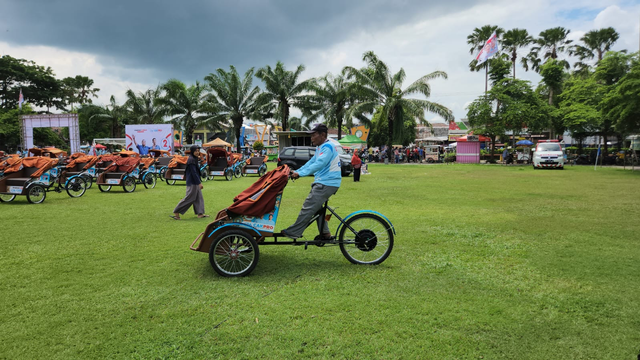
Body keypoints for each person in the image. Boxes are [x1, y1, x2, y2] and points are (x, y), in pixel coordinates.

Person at [280, 124, 341, 240]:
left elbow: (319, 164)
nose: (311, 138)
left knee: (308, 206)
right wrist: (297, 171)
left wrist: (300, 174)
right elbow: (311, 162)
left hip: (326, 183)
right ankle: (325, 233)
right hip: (325, 182)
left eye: (314, 135)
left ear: (322, 135)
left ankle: (294, 232)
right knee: (317, 208)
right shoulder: (321, 147)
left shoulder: (327, 147)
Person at [171, 145, 209, 220]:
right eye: (196, 151)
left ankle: (200, 213)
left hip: (194, 181)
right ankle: (176, 212)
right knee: (189, 198)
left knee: (199, 197)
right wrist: (199, 183)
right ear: (192, 151)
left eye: (198, 151)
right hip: (192, 182)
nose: (197, 152)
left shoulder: (194, 159)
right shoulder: (191, 160)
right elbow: (193, 173)